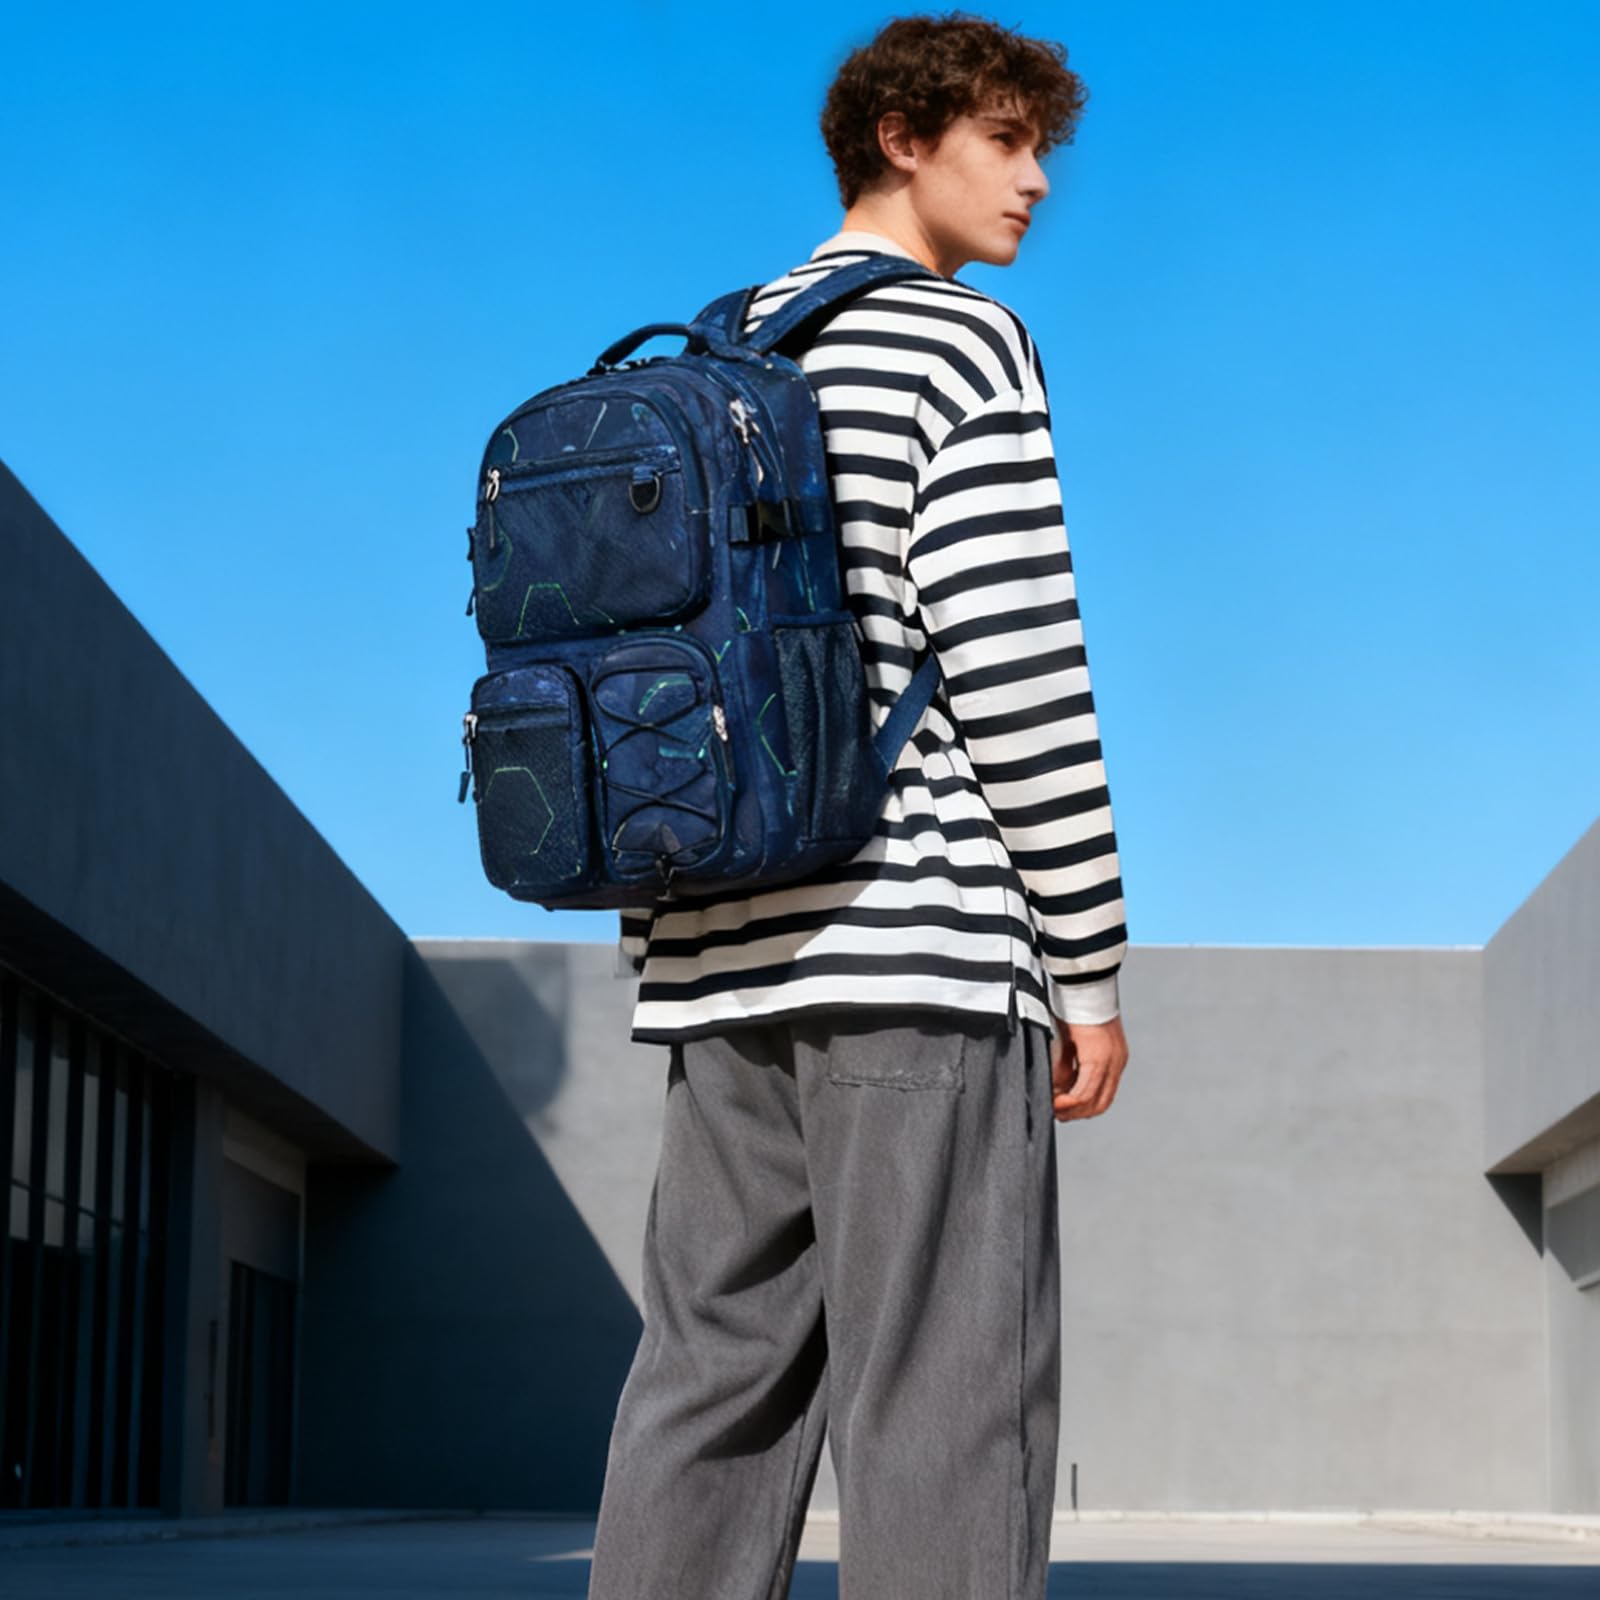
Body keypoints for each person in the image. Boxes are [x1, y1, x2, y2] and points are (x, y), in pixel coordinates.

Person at [588, 14, 1130, 1598]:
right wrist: (1088, 966)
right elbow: (1019, 670)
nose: (1037, 182)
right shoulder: (961, 345)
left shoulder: (713, 356)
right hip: (917, 957)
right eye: (1006, 141)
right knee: (947, 1405)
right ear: (903, 138)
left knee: (704, 1391)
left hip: (716, 963)